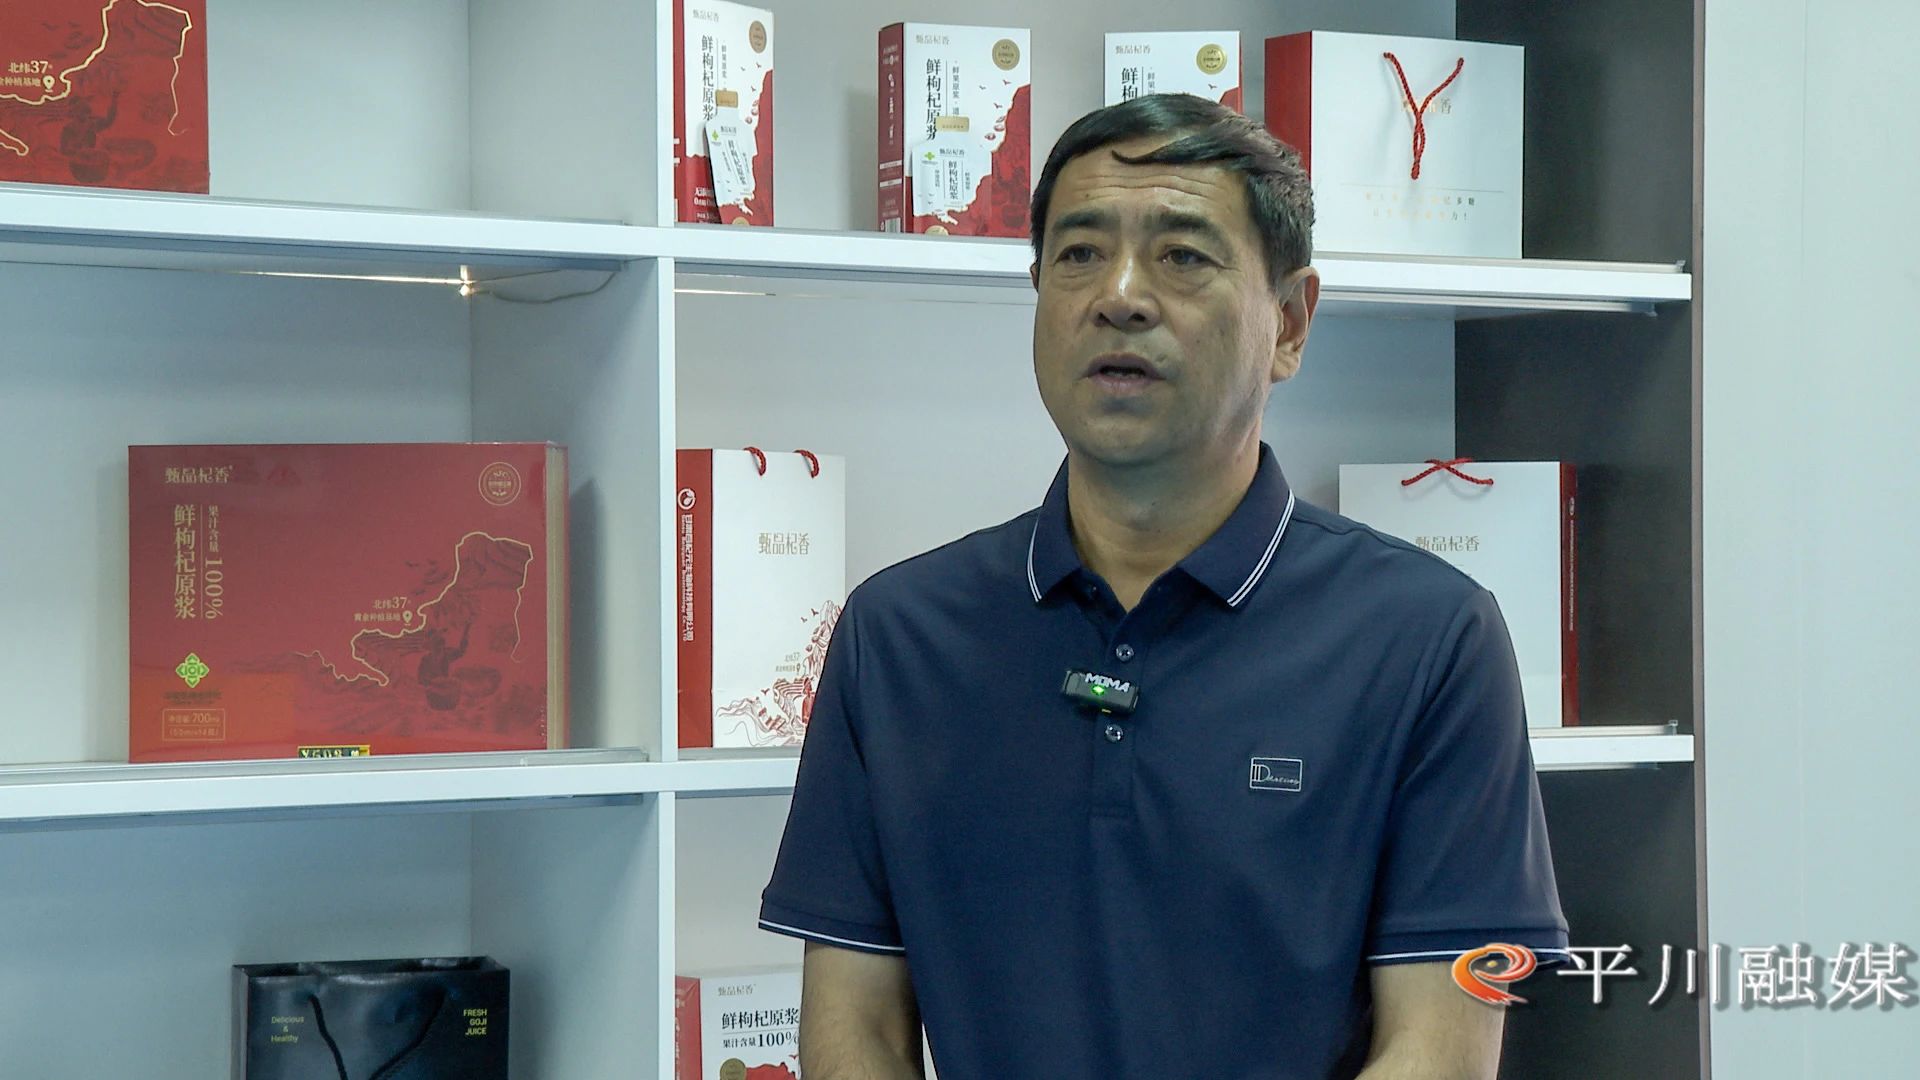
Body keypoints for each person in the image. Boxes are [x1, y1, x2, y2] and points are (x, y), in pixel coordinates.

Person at [758, 93, 1568, 1079]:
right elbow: (857, 1033)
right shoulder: (899, 636)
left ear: (1290, 322)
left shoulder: (1429, 638)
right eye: (1079, 253)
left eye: (1183, 256)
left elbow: (1437, 1053)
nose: (1120, 296)